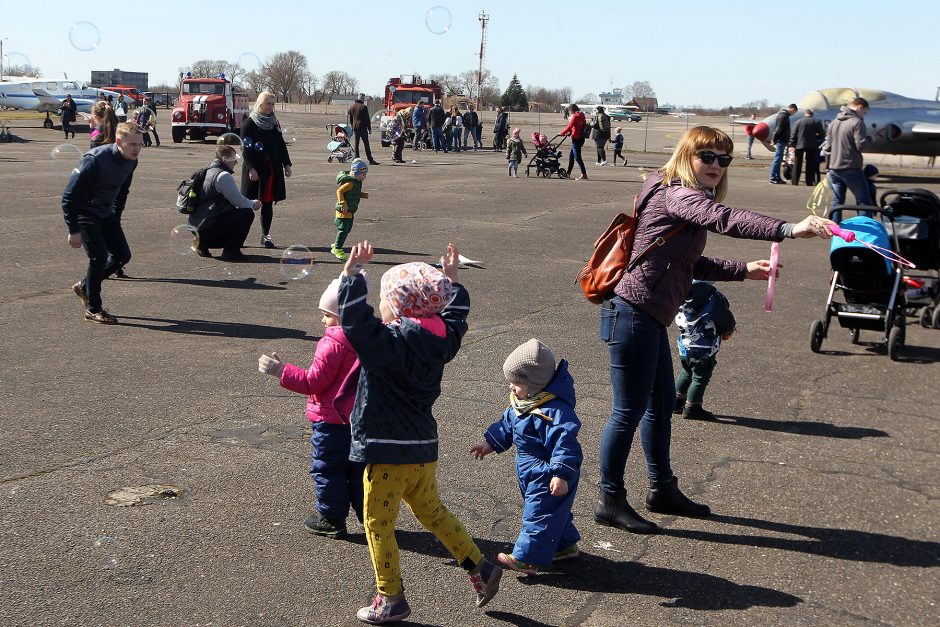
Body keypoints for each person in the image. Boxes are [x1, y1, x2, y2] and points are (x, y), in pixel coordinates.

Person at [594, 125, 836, 535]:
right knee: (628, 411)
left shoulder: (685, 198)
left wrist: (744, 271)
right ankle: (610, 499)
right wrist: (788, 229)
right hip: (632, 313)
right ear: (687, 155)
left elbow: (687, 266)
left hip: (649, 315)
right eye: (707, 156)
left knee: (659, 407)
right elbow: (724, 219)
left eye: (724, 159)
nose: (716, 166)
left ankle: (662, 489)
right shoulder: (677, 194)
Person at [336, 241, 502, 624]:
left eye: (383, 298)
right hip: (422, 449)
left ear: (397, 306)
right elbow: (457, 317)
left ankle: (390, 597)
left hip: (386, 451)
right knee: (431, 510)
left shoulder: (387, 344)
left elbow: (353, 319)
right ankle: (480, 566)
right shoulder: (441, 340)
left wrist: (352, 273)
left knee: (378, 524)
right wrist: (452, 280)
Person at [257, 278, 365, 539]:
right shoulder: (367, 338)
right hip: (359, 418)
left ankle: (332, 519)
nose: (322, 321)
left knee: (327, 467)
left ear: (339, 316)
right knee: (358, 469)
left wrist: (280, 370)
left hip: (330, 419)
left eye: (326, 315)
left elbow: (313, 382)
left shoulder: (332, 342)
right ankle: (370, 515)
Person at [470, 339, 582, 575]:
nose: (511, 387)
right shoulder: (524, 403)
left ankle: (526, 558)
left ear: (535, 383)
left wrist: (561, 474)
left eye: (516, 383)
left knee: (538, 514)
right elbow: (507, 425)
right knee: (550, 512)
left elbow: (565, 444)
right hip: (529, 470)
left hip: (548, 473)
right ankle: (565, 546)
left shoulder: (553, 412)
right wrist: (490, 443)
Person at [62, 122, 142, 325]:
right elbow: (69, 196)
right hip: (85, 213)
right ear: (118, 142)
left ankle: (84, 285)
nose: (137, 148)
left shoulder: (132, 161)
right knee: (98, 257)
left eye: (140, 144)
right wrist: (73, 230)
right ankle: (93, 308)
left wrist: (116, 216)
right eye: (132, 144)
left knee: (122, 256)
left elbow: (122, 190)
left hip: (106, 213)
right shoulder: (94, 160)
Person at [673, 282, 736, 421]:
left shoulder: (681, 292)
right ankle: (692, 407)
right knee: (700, 377)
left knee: (687, 371)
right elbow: (725, 319)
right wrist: (728, 330)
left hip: (685, 344)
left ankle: (675, 402)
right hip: (705, 347)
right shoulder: (713, 297)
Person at [187, 144, 261, 260]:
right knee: (246, 213)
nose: (236, 162)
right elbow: (239, 201)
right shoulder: (222, 176)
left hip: (198, 226)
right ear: (224, 159)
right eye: (233, 158)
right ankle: (231, 251)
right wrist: (254, 204)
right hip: (208, 227)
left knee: (231, 211)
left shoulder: (205, 170)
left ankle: (202, 243)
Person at [241, 91, 292, 249]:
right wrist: (251, 168)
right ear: (260, 104)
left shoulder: (274, 122)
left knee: (267, 204)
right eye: (268, 103)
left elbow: (281, 144)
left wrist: (287, 164)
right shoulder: (250, 123)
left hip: (271, 170)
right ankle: (239, 236)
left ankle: (265, 236)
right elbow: (245, 148)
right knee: (247, 205)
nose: (271, 107)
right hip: (255, 171)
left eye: (272, 104)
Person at [822, 97, 876, 208]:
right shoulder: (857, 123)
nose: (863, 116)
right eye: (864, 113)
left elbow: (827, 148)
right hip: (851, 168)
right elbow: (860, 146)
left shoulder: (833, 123)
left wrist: (828, 167)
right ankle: (864, 225)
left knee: (837, 202)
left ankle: (835, 225)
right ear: (860, 107)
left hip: (834, 169)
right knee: (864, 201)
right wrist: (870, 139)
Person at [331, 158, 369, 260]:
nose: (365, 176)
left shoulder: (356, 182)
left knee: (347, 229)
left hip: (350, 211)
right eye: (363, 174)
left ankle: (336, 244)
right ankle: (337, 248)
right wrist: (343, 203)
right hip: (343, 211)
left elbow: (353, 193)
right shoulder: (350, 183)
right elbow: (339, 191)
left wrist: (361, 194)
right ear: (356, 173)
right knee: (343, 229)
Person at [789, 109, 825, 186]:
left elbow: (793, 134)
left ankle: (795, 181)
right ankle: (809, 181)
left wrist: (792, 144)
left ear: (805, 114)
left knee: (797, 164)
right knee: (810, 164)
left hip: (799, 145)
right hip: (811, 146)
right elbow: (822, 134)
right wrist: (816, 138)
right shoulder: (816, 122)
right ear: (812, 114)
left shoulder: (798, 122)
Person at [348, 93, 379, 166]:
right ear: (362, 98)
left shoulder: (352, 107)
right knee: (366, 144)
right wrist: (369, 128)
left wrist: (353, 126)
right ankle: (370, 160)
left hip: (355, 127)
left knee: (356, 144)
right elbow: (367, 119)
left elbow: (351, 119)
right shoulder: (363, 107)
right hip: (362, 128)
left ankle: (356, 159)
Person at [769, 103, 797, 184]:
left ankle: (777, 177)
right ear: (792, 109)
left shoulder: (784, 115)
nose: (793, 114)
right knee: (777, 159)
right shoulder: (783, 116)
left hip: (782, 140)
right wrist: (774, 139)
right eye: (794, 112)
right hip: (780, 141)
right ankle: (773, 177)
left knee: (779, 159)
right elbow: (778, 129)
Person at [560, 103, 589, 180]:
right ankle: (568, 173)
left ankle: (584, 174)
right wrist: (570, 132)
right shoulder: (581, 115)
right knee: (571, 156)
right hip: (581, 137)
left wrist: (562, 133)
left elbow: (570, 126)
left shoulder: (575, 116)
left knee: (577, 157)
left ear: (571, 110)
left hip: (576, 139)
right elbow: (577, 126)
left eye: (569, 110)